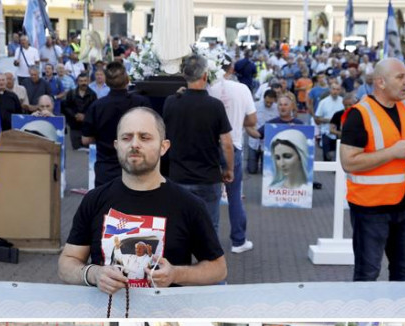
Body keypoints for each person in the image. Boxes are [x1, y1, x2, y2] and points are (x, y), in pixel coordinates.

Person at [59, 107, 227, 294]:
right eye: (126, 137)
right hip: (107, 313)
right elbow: (66, 263)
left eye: (144, 137)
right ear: (116, 145)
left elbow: (218, 269)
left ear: (164, 147)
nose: (134, 144)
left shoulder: (189, 205)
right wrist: (94, 274)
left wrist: (176, 274)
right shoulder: (94, 200)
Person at [340, 58, 405, 282]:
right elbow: (348, 162)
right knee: (368, 273)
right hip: (370, 209)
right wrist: (392, 153)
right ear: (381, 82)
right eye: (400, 77)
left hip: (404, 207)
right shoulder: (359, 114)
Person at [162, 54, 234, 239]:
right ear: (205, 75)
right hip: (208, 177)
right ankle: (210, 264)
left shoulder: (171, 103)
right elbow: (226, 143)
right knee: (210, 226)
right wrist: (229, 169)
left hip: (178, 176)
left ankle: (179, 264)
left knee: (179, 226)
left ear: (185, 76)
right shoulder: (215, 106)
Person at [208, 56, 257, 253]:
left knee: (209, 196)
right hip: (233, 144)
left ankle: (209, 244)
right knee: (234, 196)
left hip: (210, 148)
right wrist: (236, 122)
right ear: (232, 68)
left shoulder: (207, 89)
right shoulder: (242, 89)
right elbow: (252, 119)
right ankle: (238, 241)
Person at [81, 61, 151, 187]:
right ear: (127, 79)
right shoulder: (141, 103)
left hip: (106, 170)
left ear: (106, 82)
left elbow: (86, 140)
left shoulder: (97, 106)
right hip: (135, 168)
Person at [62, 72, 97, 150]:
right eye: (81, 81)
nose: (83, 83)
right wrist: (74, 115)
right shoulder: (71, 93)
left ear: (88, 81)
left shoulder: (92, 94)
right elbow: (66, 107)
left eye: (85, 81)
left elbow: (94, 109)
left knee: (87, 147)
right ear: (77, 82)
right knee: (76, 147)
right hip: (74, 125)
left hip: (87, 125)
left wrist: (85, 116)